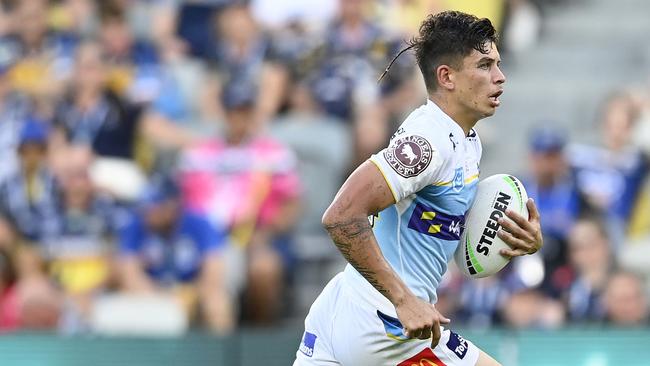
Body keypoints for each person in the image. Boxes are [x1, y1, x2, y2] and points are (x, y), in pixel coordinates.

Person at [294, 11, 543, 366]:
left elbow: (434, 223)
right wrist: (403, 299)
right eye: (485, 65)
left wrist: (516, 238)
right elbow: (341, 214)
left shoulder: (466, 141)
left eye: (498, 64)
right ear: (447, 77)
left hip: (344, 307)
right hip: (384, 327)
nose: (500, 78)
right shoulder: (428, 142)